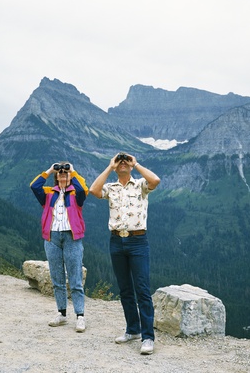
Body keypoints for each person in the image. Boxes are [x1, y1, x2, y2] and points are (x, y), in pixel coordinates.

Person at [89, 152, 161, 355]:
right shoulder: (111, 188)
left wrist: (136, 163)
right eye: (120, 162)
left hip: (138, 241)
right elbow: (93, 190)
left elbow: (155, 180)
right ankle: (133, 330)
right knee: (125, 289)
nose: (122, 164)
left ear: (130, 166)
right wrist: (110, 166)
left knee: (142, 289)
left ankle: (148, 337)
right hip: (116, 240)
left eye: (125, 162)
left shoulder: (140, 185)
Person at [30, 161, 88, 333]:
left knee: (75, 278)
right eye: (60, 172)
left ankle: (80, 316)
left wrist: (73, 171)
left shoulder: (76, 194)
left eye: (65, 172)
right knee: (57, 279)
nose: (62, 174)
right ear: (56, 176)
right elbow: (34, 186)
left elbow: (84, 189)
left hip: (72, 237)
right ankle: (62, 313)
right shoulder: (49, 193)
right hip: (52, 237)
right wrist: (49, 170)